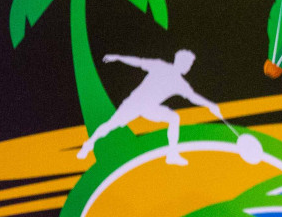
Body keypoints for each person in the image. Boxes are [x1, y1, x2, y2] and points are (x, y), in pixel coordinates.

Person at [77, 49, 221, 164]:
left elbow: (193, 96)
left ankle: (172, 155)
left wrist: (210, 105)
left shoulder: (180, 82)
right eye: (187, 64)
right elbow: (138, 62)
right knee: (110, 125)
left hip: (150, 108)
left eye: (190, 65)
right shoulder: (160, 65)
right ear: (180, 61)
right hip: (134, 103)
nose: (188, 67)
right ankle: (88, 145)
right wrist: (118, 57)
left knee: (174, 118)